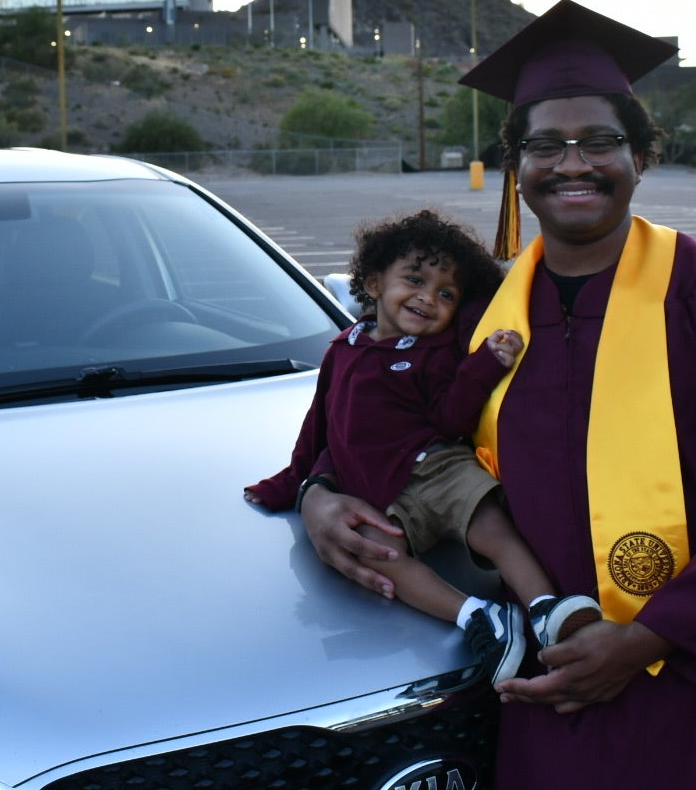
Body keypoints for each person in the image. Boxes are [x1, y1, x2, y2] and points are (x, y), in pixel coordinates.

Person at [299, 0, 696, 787]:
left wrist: (651, 638)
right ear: (515, 167)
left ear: (640, 156)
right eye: (544, 146)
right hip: (558, 697)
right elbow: (383, 422)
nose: (572, 164)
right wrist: (321, 495)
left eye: (600, 141)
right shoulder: (481, 318)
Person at [246, 209, 602, 684]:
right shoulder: (343, 348)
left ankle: (543, 608)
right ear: (373, 283)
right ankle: (480, 617)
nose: (427, 298)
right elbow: (319, 427)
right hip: (382, 495)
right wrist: (288, 484)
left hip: (437, 469)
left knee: (492, 528)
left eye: (445, 294)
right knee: (377, 554)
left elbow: (450, 417)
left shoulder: (434, 353)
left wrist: (483, 365)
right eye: (413, 279)